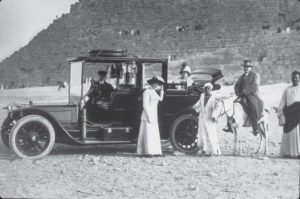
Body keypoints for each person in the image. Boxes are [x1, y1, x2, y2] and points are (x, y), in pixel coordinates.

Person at [231, 60, 264, 136]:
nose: (246, 68)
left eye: (247, 67)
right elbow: (236, 86)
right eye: (245, 67)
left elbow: (254, 86)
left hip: (251, 95)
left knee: (252, 105)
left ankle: (255, 127)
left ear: (250, 68)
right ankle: (229, 125)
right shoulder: (242, 76)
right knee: (232, 105)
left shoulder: (255, 75)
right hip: (241, 95)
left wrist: (244, 92)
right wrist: (238, 92)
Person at [137, 76, 165, 157]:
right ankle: (148, 152)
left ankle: (155, 151)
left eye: (157, 83)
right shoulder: (147, 92)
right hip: (147, 115)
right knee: (148, 134)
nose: (156, 85)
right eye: (154, 83)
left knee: (153, 134)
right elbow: (145, 105)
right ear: (151, 84)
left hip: (153, 115)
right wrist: (148, 116)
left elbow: (160, 99)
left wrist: (162, 90)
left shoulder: (153, 92)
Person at [193, 82, 221, 156]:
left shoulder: (214, 97)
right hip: (202, 118)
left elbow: (216, 108)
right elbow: (198, 104)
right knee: (202, 134)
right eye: (206, 88)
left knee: (211, 134)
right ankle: (204, 150)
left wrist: (214, 116)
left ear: (211, 89)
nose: (207, 89)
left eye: (208, 88)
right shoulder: (202, 96)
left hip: (210, 119)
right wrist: (194, 108)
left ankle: (213, 151)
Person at [278, 71, 300, 158]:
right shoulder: (287, 89)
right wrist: (281, 112)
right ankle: (287, 153)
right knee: (288, 134)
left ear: (299, 78)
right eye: (293, 77)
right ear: (291, 78)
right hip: (289, 115)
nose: (294, 79)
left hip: (298, 116)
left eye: (296, 77)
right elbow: (282, 102)